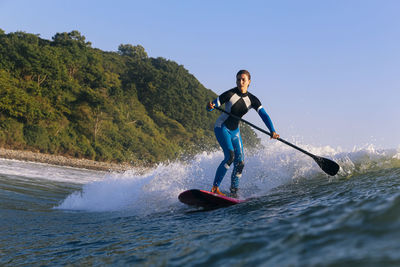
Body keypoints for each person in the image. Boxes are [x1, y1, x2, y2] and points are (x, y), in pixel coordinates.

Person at [207, 70, 279, 197]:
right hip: (222, 127)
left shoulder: (253, 100)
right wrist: (210, 106)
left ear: (249, 82)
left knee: (240, 162)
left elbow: (264, 115)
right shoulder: (229, 94)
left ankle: (233, 192)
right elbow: (212, 105)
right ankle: (214, 188)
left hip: (235, 132)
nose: (240, 82)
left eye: (243, 79)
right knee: (230, 157)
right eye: (238, 79)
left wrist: (272, 131)